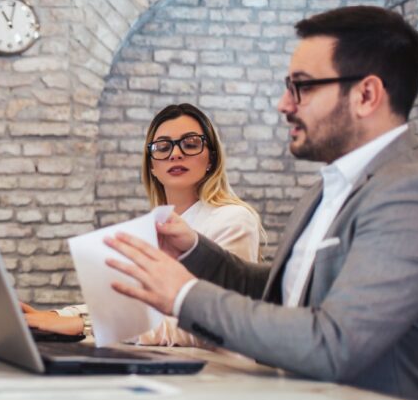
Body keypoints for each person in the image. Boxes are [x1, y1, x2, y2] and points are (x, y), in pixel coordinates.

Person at [105, 6, 418, 400]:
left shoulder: (415, 191)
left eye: (302, 87)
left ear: (366, 95)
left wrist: (184, 296)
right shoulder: (328, 189)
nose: (284, 104)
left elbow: (333, 344)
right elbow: (285, 292)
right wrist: (194, 250)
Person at [23, 104, 263, 342]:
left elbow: (212, 325)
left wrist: (84, 325)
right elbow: (132, 309)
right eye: (162, 147)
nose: (175, 154)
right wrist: (55, 316)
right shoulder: (159, 226)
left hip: (217, 373)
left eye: (190, 144)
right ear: (152, 166)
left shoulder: (233, 218)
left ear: (211, 157)